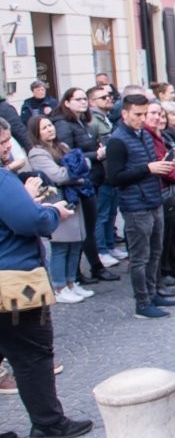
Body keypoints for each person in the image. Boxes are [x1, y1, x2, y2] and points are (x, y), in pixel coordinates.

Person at [0, 148, 93, 438]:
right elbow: (30, 221)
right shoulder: (2, 179)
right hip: (13, 283)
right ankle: (48, 423)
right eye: (2, 142)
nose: (8, 148)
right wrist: (53, 212)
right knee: (32, 354)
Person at [105, 93, 175, 319]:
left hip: (153, 199)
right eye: (138, 114)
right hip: (135, 206)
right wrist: (149, 169)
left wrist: (162, 167)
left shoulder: (144, 135)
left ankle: (153, 291)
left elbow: (149, 165)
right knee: (140, 257)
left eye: (145, 114)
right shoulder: (117, 140)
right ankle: (142, 302)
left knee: (155, 251)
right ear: (125, 114)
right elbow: (114, 177)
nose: (142, 118)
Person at [52, 88, 117, 284]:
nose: (83, 102)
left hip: (91, 178)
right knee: (85, 228)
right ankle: (85, 271)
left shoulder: (79, 122)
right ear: (67, 102)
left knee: (89, 225)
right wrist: (95, 155)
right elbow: (68, 155)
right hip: (80, 182)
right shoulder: (64, 125)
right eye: (78, 99)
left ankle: (86, 270)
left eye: (83, 99)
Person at [25, 116, 91, 304]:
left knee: (76, 243)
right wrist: (77, 173)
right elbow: (57, 175)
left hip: (72, 199)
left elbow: (81, 164)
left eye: (50, 125)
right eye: (44, 127)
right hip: (57, 201)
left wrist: (77, 169)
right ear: (36, 132)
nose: (49, 129)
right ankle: (59, 286)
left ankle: (71, 282)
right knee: (61, 246)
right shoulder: (37, 153)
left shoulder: (61, 146)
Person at [145, 102, 175, 288]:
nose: (158, 118)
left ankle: (172, 268)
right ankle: (164, 273)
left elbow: (172, 159)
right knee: (164, 238)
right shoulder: (149, 137)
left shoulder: (160, 135)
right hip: (163, 190)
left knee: (174, 231)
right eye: (154, 114)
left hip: (172, 187)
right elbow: (162, 164)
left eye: (161, 114)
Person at [88, 86, 125, 262]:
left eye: (109, 96)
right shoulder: (93, 122)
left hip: (111, 174)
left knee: (111, 214)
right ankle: (101, 251)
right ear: (92, 102)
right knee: (102, 215)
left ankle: (110, 246)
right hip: (103, 175)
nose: (108, 99)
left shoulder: (105, 119)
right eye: (103, 97)